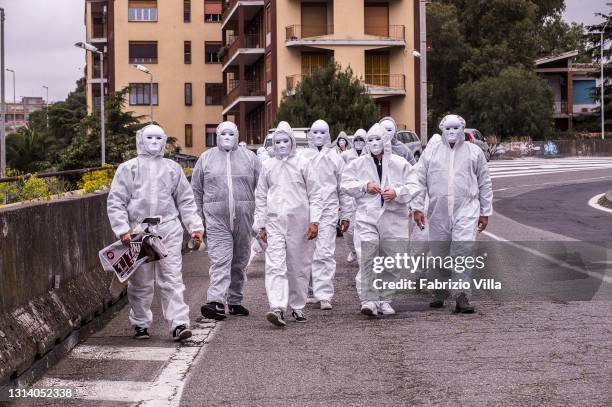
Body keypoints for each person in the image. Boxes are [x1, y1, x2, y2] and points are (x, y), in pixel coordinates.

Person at [107, 124, 204, 341]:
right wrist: (122, 229)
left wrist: (195, 227)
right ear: (141, 139)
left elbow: (185, 200)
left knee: (172, 278)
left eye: (158, 138)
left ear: (164, 140)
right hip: (138, 231)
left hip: (167, 228)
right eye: (149, 137)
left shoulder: (172, 168)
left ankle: (179, 324)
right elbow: (116, 201)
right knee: (141, 282)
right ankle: (141, 323)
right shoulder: (128, 168)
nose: (154, 142)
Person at [409, 114, 493, 313]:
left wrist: (485, 211)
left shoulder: (474, 152)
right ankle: (440, 291)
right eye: (448, 128)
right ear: (441, 129)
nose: (452, 132)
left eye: (456, 128)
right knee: (439, 254)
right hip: (438, 212)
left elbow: (484, 182)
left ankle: (462, 296)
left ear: (463, 128)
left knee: (462, 251)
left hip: (466, 209)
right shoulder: (432, 153)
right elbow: (418, 180)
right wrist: (417, 207)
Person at [341, 123, 414, 317]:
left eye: (377, 139)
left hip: (394, 218)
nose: (374, 143)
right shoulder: (358, 164)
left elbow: (415, 185)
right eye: (370, 140)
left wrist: (397, 192)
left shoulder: (400, 164)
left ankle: (385, 299)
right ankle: (369, 300)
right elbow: (345, 183)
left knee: (393, 260)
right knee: (367, 257)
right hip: (367, 217)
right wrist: (364, 186)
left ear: (386, 141)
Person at [253, 123, 322, 327]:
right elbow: (261, 196)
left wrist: (314, 221)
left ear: (292, 142)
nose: (282, 145)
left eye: (285, 141)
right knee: (275, 266)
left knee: (298, 266)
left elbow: (315, 194)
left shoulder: (303, 164)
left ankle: (298, 306)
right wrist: (262, 225)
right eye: (278, 142)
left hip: (299, 224)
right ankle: (277, 306)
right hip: (274, 223)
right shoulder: (268, 166)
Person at [191, 121, 261, 320]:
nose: (227, 137)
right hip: (216, 219)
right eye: (223, 133)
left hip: (244, 217)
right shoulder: (206, 159)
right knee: (220, 260)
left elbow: (262, 188)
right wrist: (198, 220)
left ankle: (235, 300)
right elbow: (196, 190)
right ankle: (215, 301)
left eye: (231, 133)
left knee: (239, 261)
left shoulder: (250, 158)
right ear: (217, 136)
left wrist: (261, 216)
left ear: (237, 135)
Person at [301, 119, 352, 310]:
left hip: (329, 211)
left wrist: (345, 214)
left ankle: (324, 294)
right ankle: (308, 290)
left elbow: (343, 189)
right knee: (306, 252)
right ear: (310, 135)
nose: (318, 136)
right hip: (306, 211)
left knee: (325, 253)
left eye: (322, 132)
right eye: (315, 132)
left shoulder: (336, 158)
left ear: (329, 134)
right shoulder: (303, 157)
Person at [341, 128, 367, 263]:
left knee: (362, 229)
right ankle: (353, 250)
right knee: (347, 230)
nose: (358, 142)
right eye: (356, 139)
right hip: (349, 194)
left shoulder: (369, 155)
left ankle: (363, 255)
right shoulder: (346, 155)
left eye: (361, 140)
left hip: (364, 194)